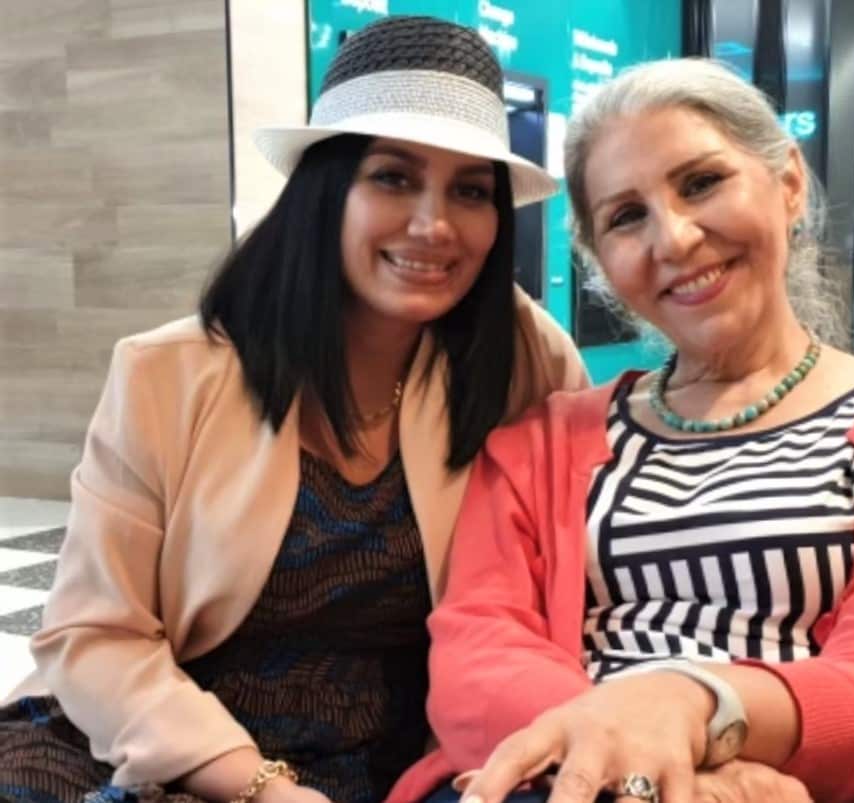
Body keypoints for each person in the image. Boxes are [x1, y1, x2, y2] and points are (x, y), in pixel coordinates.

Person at [0, 16, 590, 803]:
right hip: (164, 736)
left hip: (400, 757)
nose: (433, 224)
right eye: (392, 177)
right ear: (324, 188)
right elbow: (94, 633)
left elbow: (567, 597)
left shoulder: (526, 365)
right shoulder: (167, 373)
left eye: (471, 190)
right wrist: (260, 787)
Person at [388, 59, 854, 803]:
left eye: (701, 183)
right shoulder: (538, 440)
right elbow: (477, 659)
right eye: (625, 216)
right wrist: (644, 769)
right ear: (601, 261)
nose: (672, 238)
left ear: (789, 183)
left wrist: (695, 708)